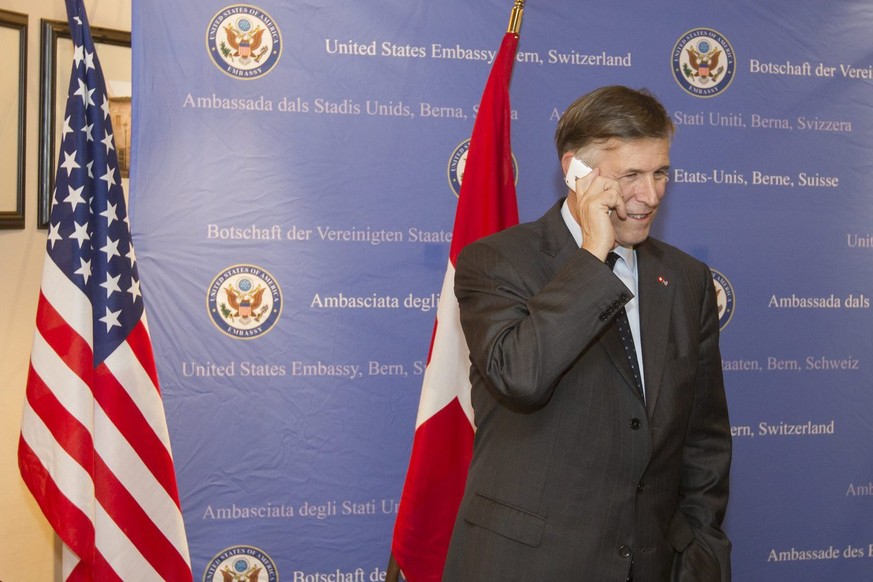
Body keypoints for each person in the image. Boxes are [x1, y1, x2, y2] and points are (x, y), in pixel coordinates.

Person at [443, 86, 732, 581]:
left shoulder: (687, 280)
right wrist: (591, 258)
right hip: (526, 567)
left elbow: (704, 442)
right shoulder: (495, 262)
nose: (651, 195)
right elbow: (522, 376)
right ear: (576, 171)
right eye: (631, 176)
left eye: (660, 172)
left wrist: (700, 557)